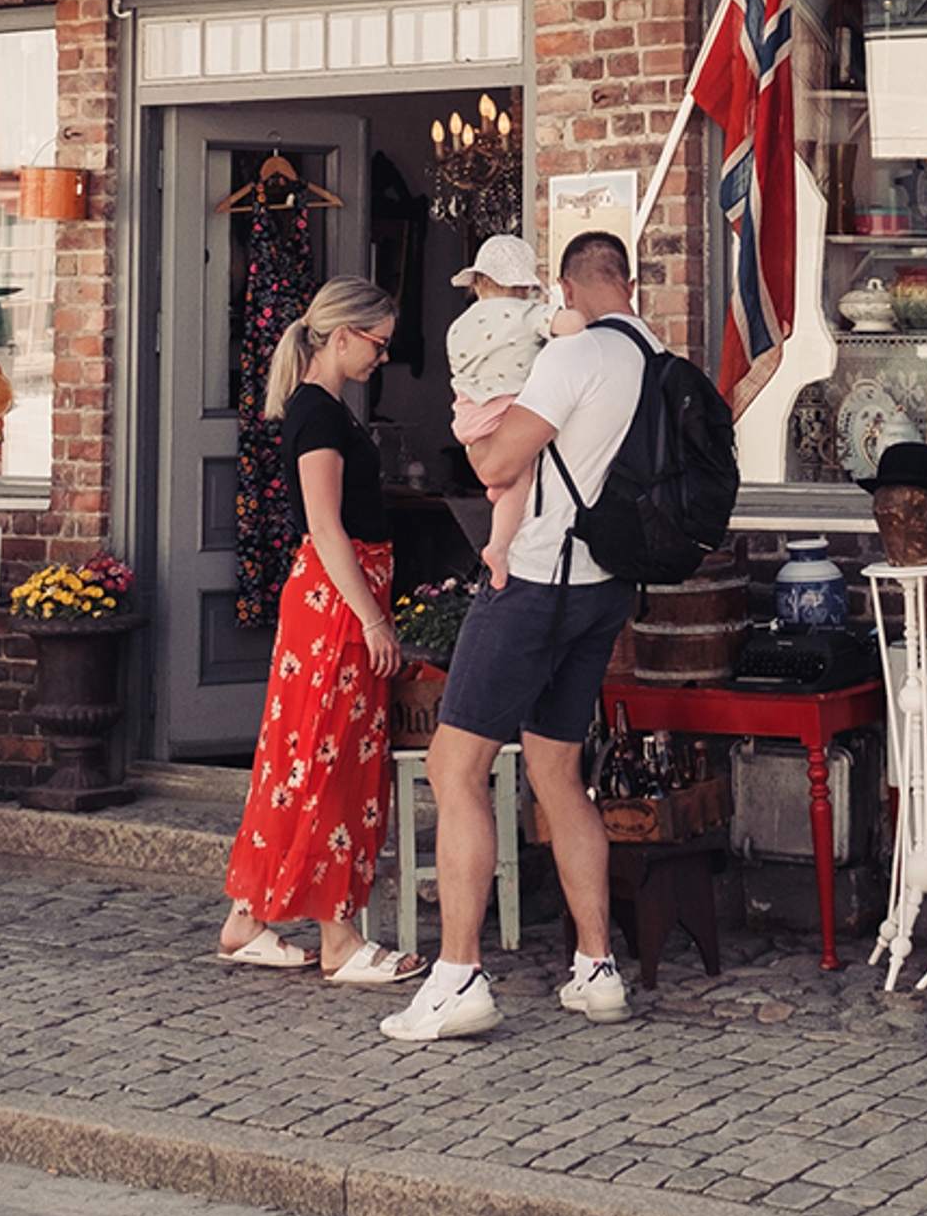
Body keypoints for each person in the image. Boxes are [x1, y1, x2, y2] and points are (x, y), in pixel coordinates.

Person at [381, 229, 652, 1043]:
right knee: (558, 771)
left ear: (564, 286)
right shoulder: (651, 354)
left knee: (452, 766)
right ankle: (597, 969)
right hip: (607, 586)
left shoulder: (569, 358)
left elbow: (499, 466)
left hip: (536, 580)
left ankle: (458, 975)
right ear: (627, 281)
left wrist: (478, 436)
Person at [213, 276, 427, 989]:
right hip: (338, 601)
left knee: (304, 756)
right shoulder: (318, 415)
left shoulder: (323, 409)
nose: (382, 358)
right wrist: (371, 616)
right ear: (342, 336)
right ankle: (339, 938)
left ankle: (248, 920)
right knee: (331, 760)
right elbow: (326, 525)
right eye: (378, 343)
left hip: (336, 595)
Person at [441, 233, 580, 583]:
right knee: (523, 475)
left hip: (468, 414)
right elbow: (573, 326)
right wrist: (560, 312)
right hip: (505, 408)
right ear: (522, 285)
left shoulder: (460, 324)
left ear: (478, 282)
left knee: (501, 478)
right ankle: (499, 546)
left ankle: (501, 502)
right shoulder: (523, 312)